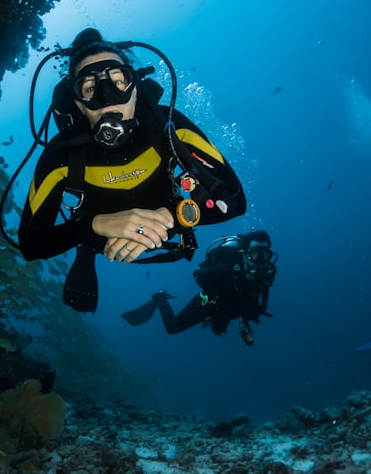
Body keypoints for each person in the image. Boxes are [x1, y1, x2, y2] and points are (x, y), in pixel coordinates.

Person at [17, 28, 247, 311]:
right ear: (77, 102)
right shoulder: (61, 154)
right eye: (89, 88)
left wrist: (173, 217)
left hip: (170, 219)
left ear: (135, 87)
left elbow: (235, 200)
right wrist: (94, 226)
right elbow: (31, 243)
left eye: (118, 80)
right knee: (86, 241)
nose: (107, 97)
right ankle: (86, 250)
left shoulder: (169, 126)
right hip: (98, 239)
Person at [121, 231, 278, 345]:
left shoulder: (265, 274)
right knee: (172, 328)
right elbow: (198, 274)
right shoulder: (228, 267)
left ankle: (223, 321)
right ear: (245, 254)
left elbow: (262, 297)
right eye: (256, 254)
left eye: (266, 255)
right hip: (211, 303)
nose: (262, 260)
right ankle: (160, 298)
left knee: (219, 332)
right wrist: (212, 293)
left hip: (234, 306)